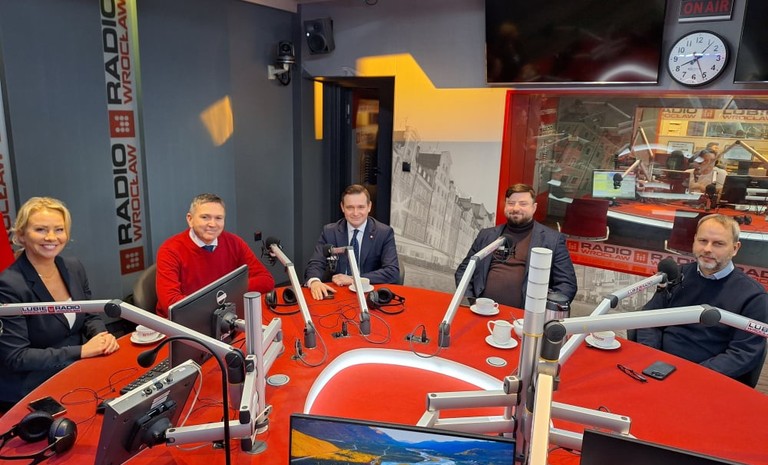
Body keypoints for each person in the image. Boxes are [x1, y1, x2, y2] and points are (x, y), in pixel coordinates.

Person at [0, 197, 119, 411]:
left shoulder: (73, 267)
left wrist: (101, 336)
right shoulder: (8, 285)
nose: (51, 237)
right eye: (41, 229)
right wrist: (81, 350)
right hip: (31, 387)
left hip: (75, 371)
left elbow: (89, 313)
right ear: (21, 235)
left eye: (59, 229)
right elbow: (16, 357)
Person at [636, 214, 768, 384]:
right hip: (658, 367)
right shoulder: (677, 274)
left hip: (704, 378)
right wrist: (650, 355)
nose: (707, 249)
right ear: (694, 241)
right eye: (703, 241)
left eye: (718, 243)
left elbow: (743, 353)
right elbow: (649, 318)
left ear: (735, 248)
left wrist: (691, 376)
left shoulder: (754, 296)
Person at [455, 184, 577, 308]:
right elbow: (464, 270)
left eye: (523, 204)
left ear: (534, 207)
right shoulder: (486, 235)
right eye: (511, 203)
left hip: (525, 316)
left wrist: (540, 313)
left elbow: (566, 284)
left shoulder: (552, 240)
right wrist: (471, 302)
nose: (516, 208)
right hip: (481, 311)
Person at [155, 193, 274, 317]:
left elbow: (266, 280)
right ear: (190, 219)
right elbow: (171, 304)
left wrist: (225, 293)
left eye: (218, 218)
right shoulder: (170, 250)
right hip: (184, 321)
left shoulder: (234, 242)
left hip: (224, 316)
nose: (212, 224)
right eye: (205, 217)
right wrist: (219, 297)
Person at [304, 184, 400, 300]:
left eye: (361, 207)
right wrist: (314, 281)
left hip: (369, 295)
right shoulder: (330, 232)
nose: (355, 213)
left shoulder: (384, 233)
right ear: (342, 207)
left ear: (369, 207)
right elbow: (316, 263)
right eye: (350, 207)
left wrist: (354, 279)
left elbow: (392, 272)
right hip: (337, 294)